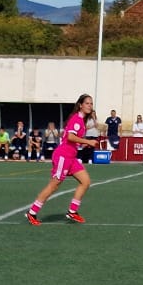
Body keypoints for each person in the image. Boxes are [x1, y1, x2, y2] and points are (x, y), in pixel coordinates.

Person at [27, 94, 98, 225]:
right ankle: (32, 213)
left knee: (86, 181)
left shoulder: (81, 121)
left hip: (71, 157)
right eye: (87, 103)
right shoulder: (76, 119)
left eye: (91, 104)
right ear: (80, 105)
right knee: (54, 185)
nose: (90, 105)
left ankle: (72, 211)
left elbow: (74, 137)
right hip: (63, 156)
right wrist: (87, 141)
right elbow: (70, 137)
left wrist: (83, 142)